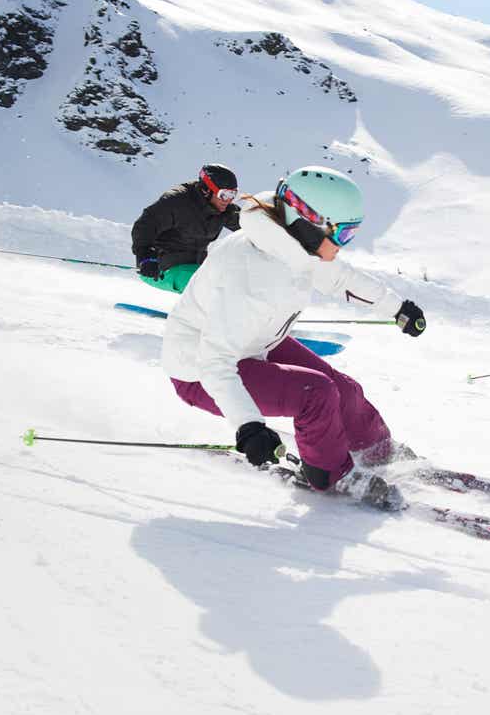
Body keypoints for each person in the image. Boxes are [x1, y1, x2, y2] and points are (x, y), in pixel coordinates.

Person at [160, 166, 426, 498]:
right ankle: (330, 475)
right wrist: (250, 427)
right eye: (343, 235)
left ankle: (377, 451)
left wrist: (397, 308)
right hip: (198, 369)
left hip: (254, 342)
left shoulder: (289, 244)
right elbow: (214, 362)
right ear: (309, 222)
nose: (343, 246)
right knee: (316, 393)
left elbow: (340, 278)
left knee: (344, 389)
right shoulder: (251, 275)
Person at [131, 164, 242, 292]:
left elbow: (247, 225)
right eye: (224, 194)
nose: (228, 200)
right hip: (160, 268)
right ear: (207, 189)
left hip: (197, 267)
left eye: (233, 194)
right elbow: (145, 225)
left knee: (235, 284)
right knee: (212, 288)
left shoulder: (223, 209)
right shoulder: (177, 202)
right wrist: (146, 257)